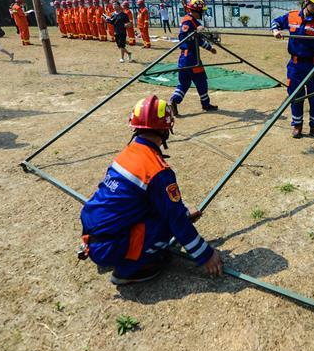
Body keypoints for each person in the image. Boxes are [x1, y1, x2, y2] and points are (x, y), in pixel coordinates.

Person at [79, 95, 224, 285]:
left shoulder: (127, 153)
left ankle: (114, 251)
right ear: (166, 128)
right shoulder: (158, 171)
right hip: (109, 247)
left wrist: (183, 213)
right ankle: (127, 271)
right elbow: (175, 220)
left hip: (93, 235)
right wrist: (206, 254)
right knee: (166, 226)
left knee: (166, 213)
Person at [270, 0, 314, 139]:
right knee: (295, 95)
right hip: (295, 66)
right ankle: (297, 125)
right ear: (306, 1)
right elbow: (275, 22)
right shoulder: (291, 17)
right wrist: (276, 31)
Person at [170, 0, 218, 115]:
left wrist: (210, 48)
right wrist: (195, 32)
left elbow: (199, 41)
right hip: (191, 58)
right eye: (202, 11)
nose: (203, 13)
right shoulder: (188, 21)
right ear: (197, 11)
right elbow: (183, 38)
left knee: (184, 83)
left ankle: (174, 101)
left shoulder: (194, 21)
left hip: (184, 59)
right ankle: (205, 104)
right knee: (201, 80)